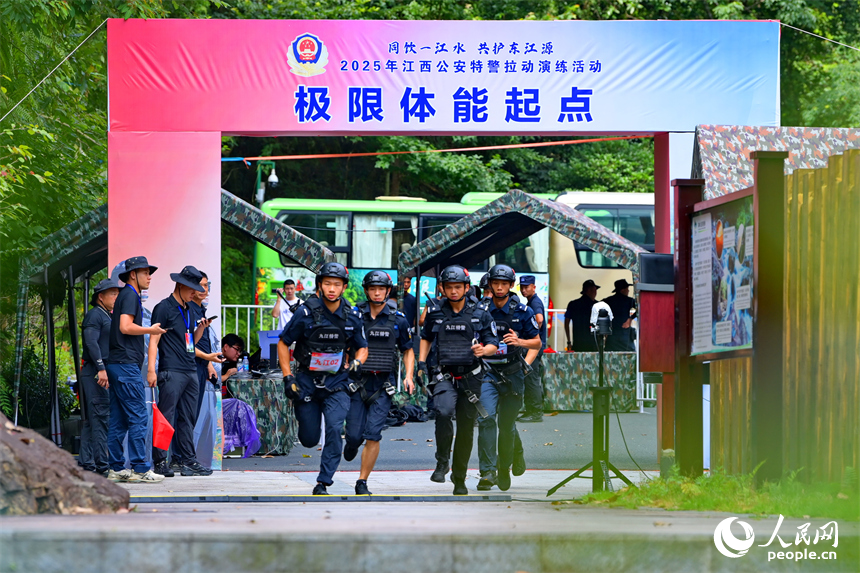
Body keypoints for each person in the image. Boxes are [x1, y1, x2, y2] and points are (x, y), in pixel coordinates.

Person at [278, 262, 368, 495]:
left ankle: (324, 481)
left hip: (337, 382)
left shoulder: (352, 315)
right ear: (320, 285)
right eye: (327, 283)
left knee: (335, 428)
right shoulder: (305, 312)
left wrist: (358, 362)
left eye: (337, 284)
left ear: (344, 287)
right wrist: (288, 377)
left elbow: (362, 347)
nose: (332, 289)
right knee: (309, 439)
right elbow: (283, 343)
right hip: (306, 381)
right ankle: (309, 432)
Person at [417, 265, 498, 495]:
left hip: (471, 377)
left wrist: (484, 350)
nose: (453, 291)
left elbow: (493, 342)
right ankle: (442, 462)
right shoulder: (435, 311)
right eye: (449, 287)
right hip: (444, 374)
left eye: (458, 287)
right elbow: (426, 337)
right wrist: (421, 363)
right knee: (442, 412)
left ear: (466, 287)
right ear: (442, 288)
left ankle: (459, 477)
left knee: (465, 428)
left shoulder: (480, 312)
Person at [344, 271, 415, 495]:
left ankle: (362, 481)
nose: (377, 293)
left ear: (387, 291)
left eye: (381, 289)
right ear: (366, 291)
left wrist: (409, 376)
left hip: (383, 385)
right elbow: (344, 344)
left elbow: (408, 350)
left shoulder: (398, 319)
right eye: (372, 289)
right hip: (357, 383)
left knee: (373, 434)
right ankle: (352, 444)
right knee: (354, 436)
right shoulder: (354, 316)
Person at [147, 265, 219, 478]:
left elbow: (190, 342)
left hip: (190, 369)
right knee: (166, 417)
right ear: (180, 285)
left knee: (187, 418)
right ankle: (160, 461)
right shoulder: (164, 307)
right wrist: (151, 370)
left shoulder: (188, 309)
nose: (195, 293)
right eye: (191, 289)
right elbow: (154, 340)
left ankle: (188, 460)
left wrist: (201, 328)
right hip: (171, 370)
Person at [476, 265, 541, 491]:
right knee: (486, 418)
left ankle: (506, 465)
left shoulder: (523, 311)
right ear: (490, 284)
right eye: (495, 283)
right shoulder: (480, 309)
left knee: (506, 425)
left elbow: (537, 343)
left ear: (511, 285)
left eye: (504, 283)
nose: (499, 287)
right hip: (487, 373)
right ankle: (487, 471)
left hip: (513, 374)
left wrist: (520, 343)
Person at [105, 256, 166, 484]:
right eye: (146, 273)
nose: (149, 277)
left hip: (117, 365)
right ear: (133, 274)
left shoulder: (126, 295)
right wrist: (151, 330)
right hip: (125, 366)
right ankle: (140, 468)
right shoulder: (130, 295)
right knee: (139, 416)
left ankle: (116, 468)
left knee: (119, 419)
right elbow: (125, 326)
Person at [78, 278, 120, 476]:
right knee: (101, 416)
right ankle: (102, 466)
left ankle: (87, 462)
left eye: (117, 293)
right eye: (113, 294)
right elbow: (91, 343)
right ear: (100, 297)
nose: (116, 297)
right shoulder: (95, 315)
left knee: (91, 419)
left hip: (98, 371)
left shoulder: (106, 315)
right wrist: (101, 368)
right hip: (95, 372)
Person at [517, 275, 546, 423]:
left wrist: (532, 334)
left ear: (534, 287)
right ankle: (531, 410)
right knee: (530, 378)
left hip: (534, 346)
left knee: (531, 379)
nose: (523, 290)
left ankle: (535, 412)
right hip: (533, 345)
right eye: (522, 287)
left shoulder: (535, 302)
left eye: (526, 287)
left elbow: (539, 319)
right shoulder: (531, 301)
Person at [564, 280, 600, 352]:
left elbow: (566, 322)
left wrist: (569, 342)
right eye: (594, 290)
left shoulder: (573, 304)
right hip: (594, 343)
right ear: (588, 291)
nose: (595, 292)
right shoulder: (598, 305)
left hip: (578, 343)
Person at [603, 279, 637, 351]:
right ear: (622, 290)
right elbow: (640, 309)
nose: (628, 291)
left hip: (612, 337)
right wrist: (630, 319)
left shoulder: (608, 301)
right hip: (625, 337)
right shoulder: (630, 301)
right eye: (627, 289)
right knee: (630, 356)